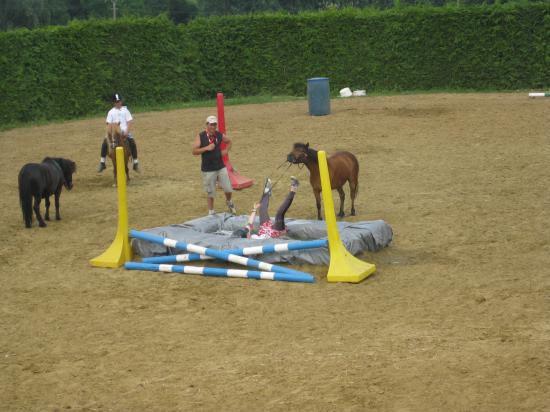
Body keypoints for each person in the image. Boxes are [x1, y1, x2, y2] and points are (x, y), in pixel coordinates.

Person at [192, 115, 236, 215]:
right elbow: (194, 151)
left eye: (215, 124)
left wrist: (226, 151)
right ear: (207, 125)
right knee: (211, 192)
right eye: (211, 124)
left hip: (220, 166)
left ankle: (229, 202)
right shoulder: (201, 136)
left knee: (228, 188)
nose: (213, 127)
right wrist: (206, 148)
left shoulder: (219, 135)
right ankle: (211, 211)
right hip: (208, 169)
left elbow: (229, 141)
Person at [97, 93, 140, 173]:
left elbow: (129, 122)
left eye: (119, 101)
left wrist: (127, 132)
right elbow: (108, 124)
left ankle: (135, 162)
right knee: (104, 143)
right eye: (116, 102)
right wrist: (110, 133)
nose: (118, 103)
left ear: (121, 101)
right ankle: (102, 162)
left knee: (132, 142)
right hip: (114, 133)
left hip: (124, 131)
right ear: (114, 103)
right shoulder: (111, 112)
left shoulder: (125, 110)